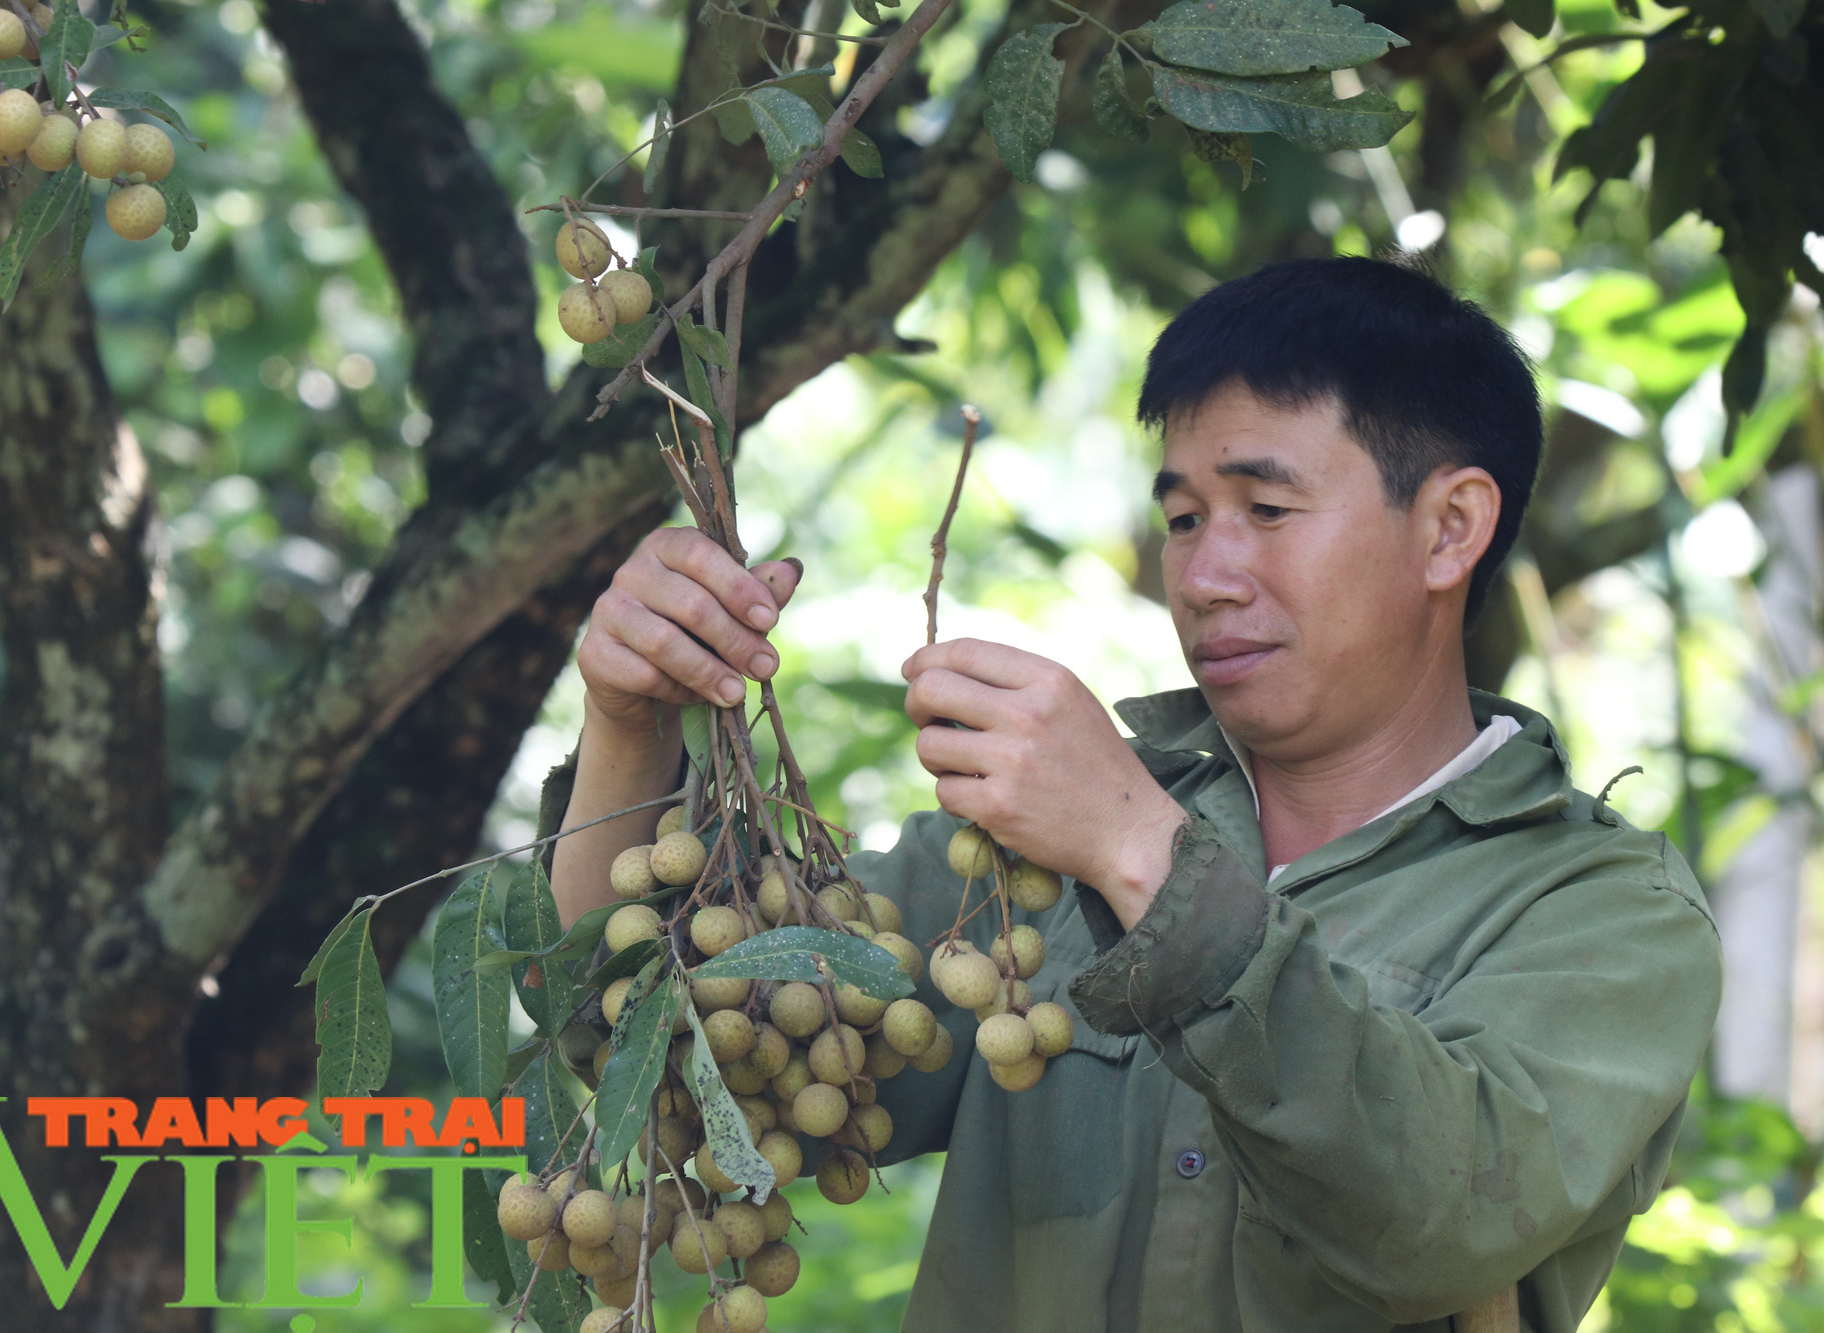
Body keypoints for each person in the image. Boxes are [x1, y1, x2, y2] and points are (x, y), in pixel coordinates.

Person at [551, 257, 1722, 1332]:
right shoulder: (1021, 858)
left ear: (1448, 527)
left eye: (1264, 511)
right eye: (1179, 519)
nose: (1204, 576)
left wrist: (1134, 848)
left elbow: (1438, 1223)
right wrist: (628, 719)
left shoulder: (1601, 913)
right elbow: (662, 1050)